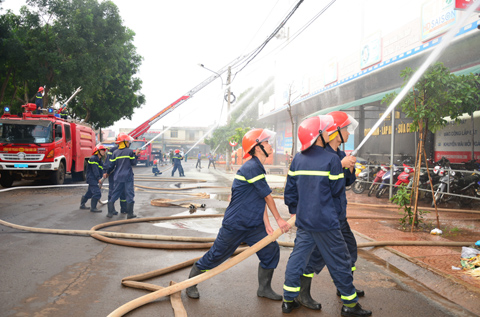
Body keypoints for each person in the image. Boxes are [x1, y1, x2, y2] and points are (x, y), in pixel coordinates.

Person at [186, 128, 291, 301]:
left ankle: (264, 289)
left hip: (253, 225)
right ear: (258, 147)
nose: (270, 145)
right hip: (236, 224)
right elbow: (267, 196)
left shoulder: (257, 167)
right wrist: (279, 219)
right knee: (216, 256)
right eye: (266, 142)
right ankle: (190, 284)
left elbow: (259, 197)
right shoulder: (251, 167)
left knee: (270, 250)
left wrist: (266, 223)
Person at [282, 115, 371, 316]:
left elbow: (290, 191)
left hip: (305, 220)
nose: (329, 131)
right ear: (320, 135)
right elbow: (337, 191)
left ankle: (288, 299)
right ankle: (350, 304)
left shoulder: (298, 158)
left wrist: (298, 211)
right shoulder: (331, 159)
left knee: (297, 258)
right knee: (340, 260)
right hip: (326, 222)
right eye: (325, 130)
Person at [106, 133, 140, 219]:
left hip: (117, 177)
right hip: (127, 177)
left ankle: (109, 213)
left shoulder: (115, 152)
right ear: (124, 142)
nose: (129, 143)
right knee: (129, 194)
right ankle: (130, 214)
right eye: (128, 142)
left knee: (115, 193)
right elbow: (133, 163)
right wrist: (136, 155)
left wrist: (107, 172)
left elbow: (111, 165)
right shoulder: (129, 152)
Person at [80, 144, 107, 213]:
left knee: (89, 193)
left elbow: (101, 170)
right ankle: (93, 208)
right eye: (102, 150)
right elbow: (95, 170)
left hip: (94, 179)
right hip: (92, 179)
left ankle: (82, 204)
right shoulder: (93, 158)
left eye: (104, 150)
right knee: (97, 193)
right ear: (97, 151)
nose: (104, 151)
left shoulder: (100, 160)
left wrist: (101, 179)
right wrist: (98, 179)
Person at [103, 143, 126, 215]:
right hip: (113, 174)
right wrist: (106, 171)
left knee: (123, 192)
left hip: (122, 175)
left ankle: (124, 209)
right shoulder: (113, 150)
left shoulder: (126, 151)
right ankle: (111, 210)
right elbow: (108, 163)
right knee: (112, 191)